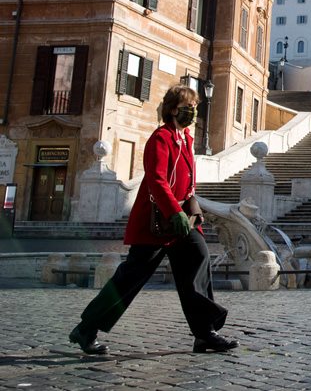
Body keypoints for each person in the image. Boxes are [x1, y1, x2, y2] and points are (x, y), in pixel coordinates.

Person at [68, 85, 238, 355]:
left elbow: (186, 181)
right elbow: (157, 181)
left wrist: (189, 210)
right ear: (172, 110)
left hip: (182, 219)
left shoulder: (186, 139)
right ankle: (87, 327)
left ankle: (205, 333)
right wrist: (174, 212)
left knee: (198, 258)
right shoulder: (160, 138)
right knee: (131, 278)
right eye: (187, 107)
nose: (192, 112)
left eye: (194, 107)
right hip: (157, 222)